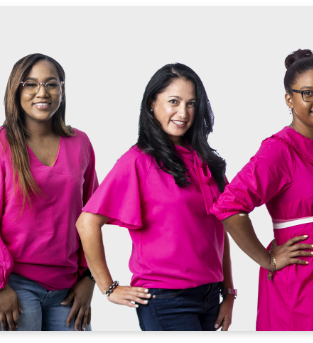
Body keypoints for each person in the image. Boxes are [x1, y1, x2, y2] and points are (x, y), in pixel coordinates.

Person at [210, 49, 313, 331]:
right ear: (289, 99)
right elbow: (229, 206)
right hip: (304, 277)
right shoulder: (278, 150)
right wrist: (268, 259)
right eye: (307, 93)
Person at [76, 63, 234, 331]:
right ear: (152, 103)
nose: (183, 112)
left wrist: (228, 292)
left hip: (209, 297)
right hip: (167, 300)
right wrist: (109, 287)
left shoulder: (206, 161)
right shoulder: (138, 161)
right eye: (174, 101)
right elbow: (87, 222)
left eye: (191, 103)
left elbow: (220, 230)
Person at [0, 53, 98, 331]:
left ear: (62, 89)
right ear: (16, 89)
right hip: (13, 286)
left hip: (68, 289)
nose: (42, 92)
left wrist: (89, 278)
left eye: (51, 84)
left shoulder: (80, 142)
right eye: (31, 84)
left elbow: (91, 217)